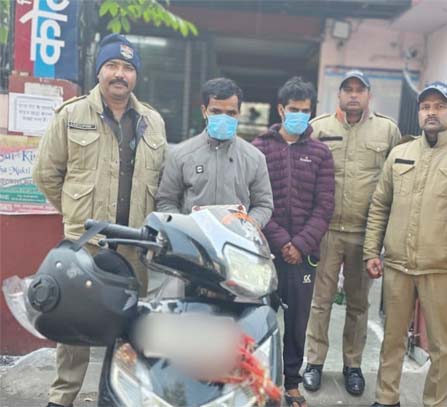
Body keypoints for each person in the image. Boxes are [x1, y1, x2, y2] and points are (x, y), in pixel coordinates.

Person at [32, 33, 167, 407]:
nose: (120, 74)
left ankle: (122, 393)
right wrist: (74, 211)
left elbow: (161, 182)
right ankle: (62, 396)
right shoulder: (72, 115)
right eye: (112, 66)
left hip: (135, 244)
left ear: (135, 75)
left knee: (131, 325)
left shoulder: (153, 122)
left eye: (127, 67)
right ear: (99, 71)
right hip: (86, 241)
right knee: (74, 323)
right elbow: (45, 173)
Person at [364, 83, 447, 407]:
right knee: (392, 339)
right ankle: (386, 398)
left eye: (439, 106)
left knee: (442, 346)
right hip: (397, 264)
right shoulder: (400, 153)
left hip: (441, 268)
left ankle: (435, 402)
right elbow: (380, 205)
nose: (431, 112)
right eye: (425, 107)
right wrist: (371, 250)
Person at [303, 70, 401, 396]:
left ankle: (353, 365)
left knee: (358, 305)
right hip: (327, 231)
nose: (354, 95)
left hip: (365, 233)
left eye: (360, 89)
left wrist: (385, 236)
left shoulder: (387, 130)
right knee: (321, 302)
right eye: (348, 90)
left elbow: (395, 182)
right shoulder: (319, 128)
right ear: (339, 95)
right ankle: (314, 362)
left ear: (369, 95)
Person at [252, 77, 335, 407]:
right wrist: (281, 240)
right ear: (280, 110)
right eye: (293, 109)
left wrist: (299, 244)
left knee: (298, 323)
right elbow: (253, 200)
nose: (299, 115)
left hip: (303, 256)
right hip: (263, 252)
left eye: (305, 110)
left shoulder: (320, 153)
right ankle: (260, 381)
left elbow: (325, 205)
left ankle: (291, 383)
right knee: (260, 318)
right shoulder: (259, 148)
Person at [155, 77, 273, 228]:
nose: (223, 118)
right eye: (216, 111)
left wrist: (248, 226)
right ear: (204, 111)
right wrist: (183, 229)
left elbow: (263, 205)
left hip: (236, 240)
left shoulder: (255, 158)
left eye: (231, 113)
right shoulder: (180, 155)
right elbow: (166, 201)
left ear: (239, 114)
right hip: (191, 240)